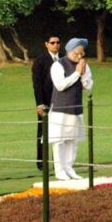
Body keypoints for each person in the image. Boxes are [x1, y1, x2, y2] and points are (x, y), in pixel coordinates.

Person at [49, 38, 93, 180]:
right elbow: (60, 85)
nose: (80, 56)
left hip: (76, 108)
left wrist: (83, 74)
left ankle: (69, 167)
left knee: (73, 140)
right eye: (77, 53)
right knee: (59, 140)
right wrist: (76, 74)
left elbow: (88, 87)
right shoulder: (58, 65)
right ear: (69, 51)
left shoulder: (83, 66)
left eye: (82, 54)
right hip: (60, 110)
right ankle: (59, 170)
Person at [32, 34, 62, 170]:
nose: (55, 45)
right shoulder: (40, 61)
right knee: (44, 132)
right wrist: (39, 103)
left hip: (61, 102)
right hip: (46, 102)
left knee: (61, 132)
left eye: (57, 42)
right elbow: (37, 84)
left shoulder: (63, 60)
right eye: (52, 42)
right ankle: (42, 163)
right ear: (46, 44)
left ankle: (60, 162)